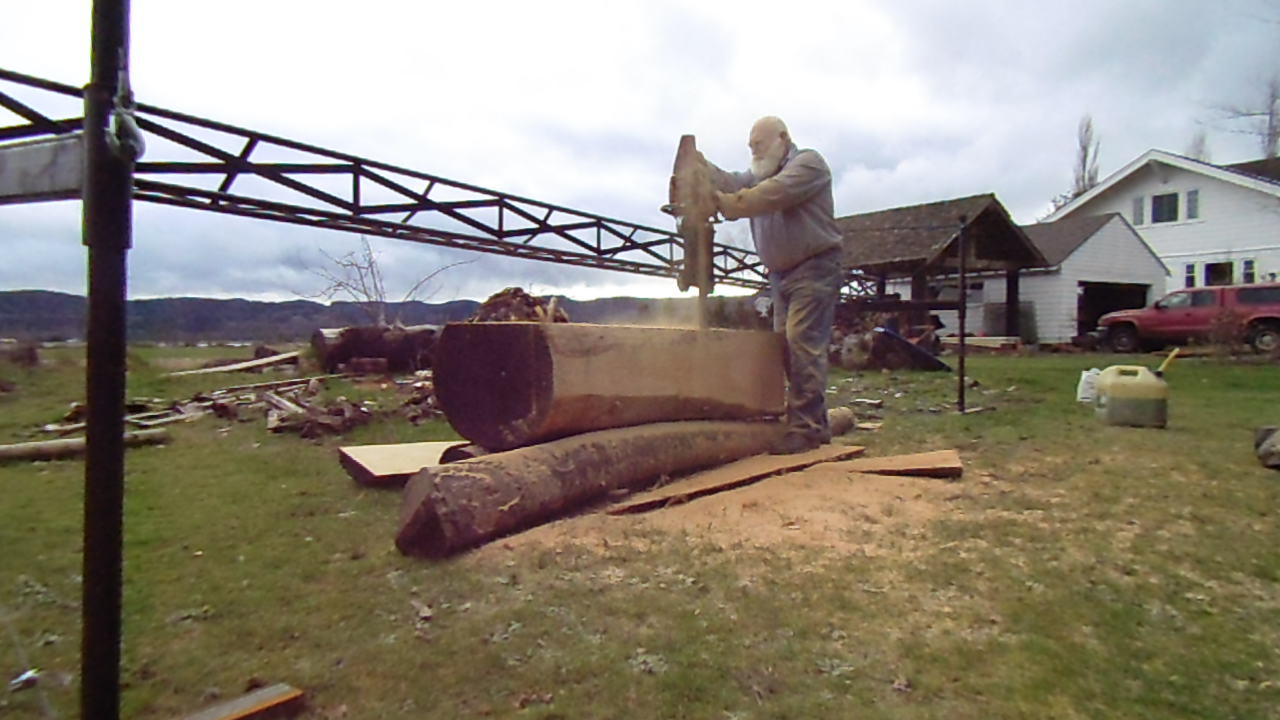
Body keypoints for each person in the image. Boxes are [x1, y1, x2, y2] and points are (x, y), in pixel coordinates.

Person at [704, 116, 845, 454]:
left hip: (814, 269)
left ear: (783, 138)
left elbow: (771, 195)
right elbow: (733, 181)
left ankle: (806, 430)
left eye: (759, 144)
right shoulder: (760, 175)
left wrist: (727, 204)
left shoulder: (808, 165)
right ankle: (815, 425)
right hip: (781, 275)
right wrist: (700, 168)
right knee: (785, 347)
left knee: (801, 342)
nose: (754, 151)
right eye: (750, 146)